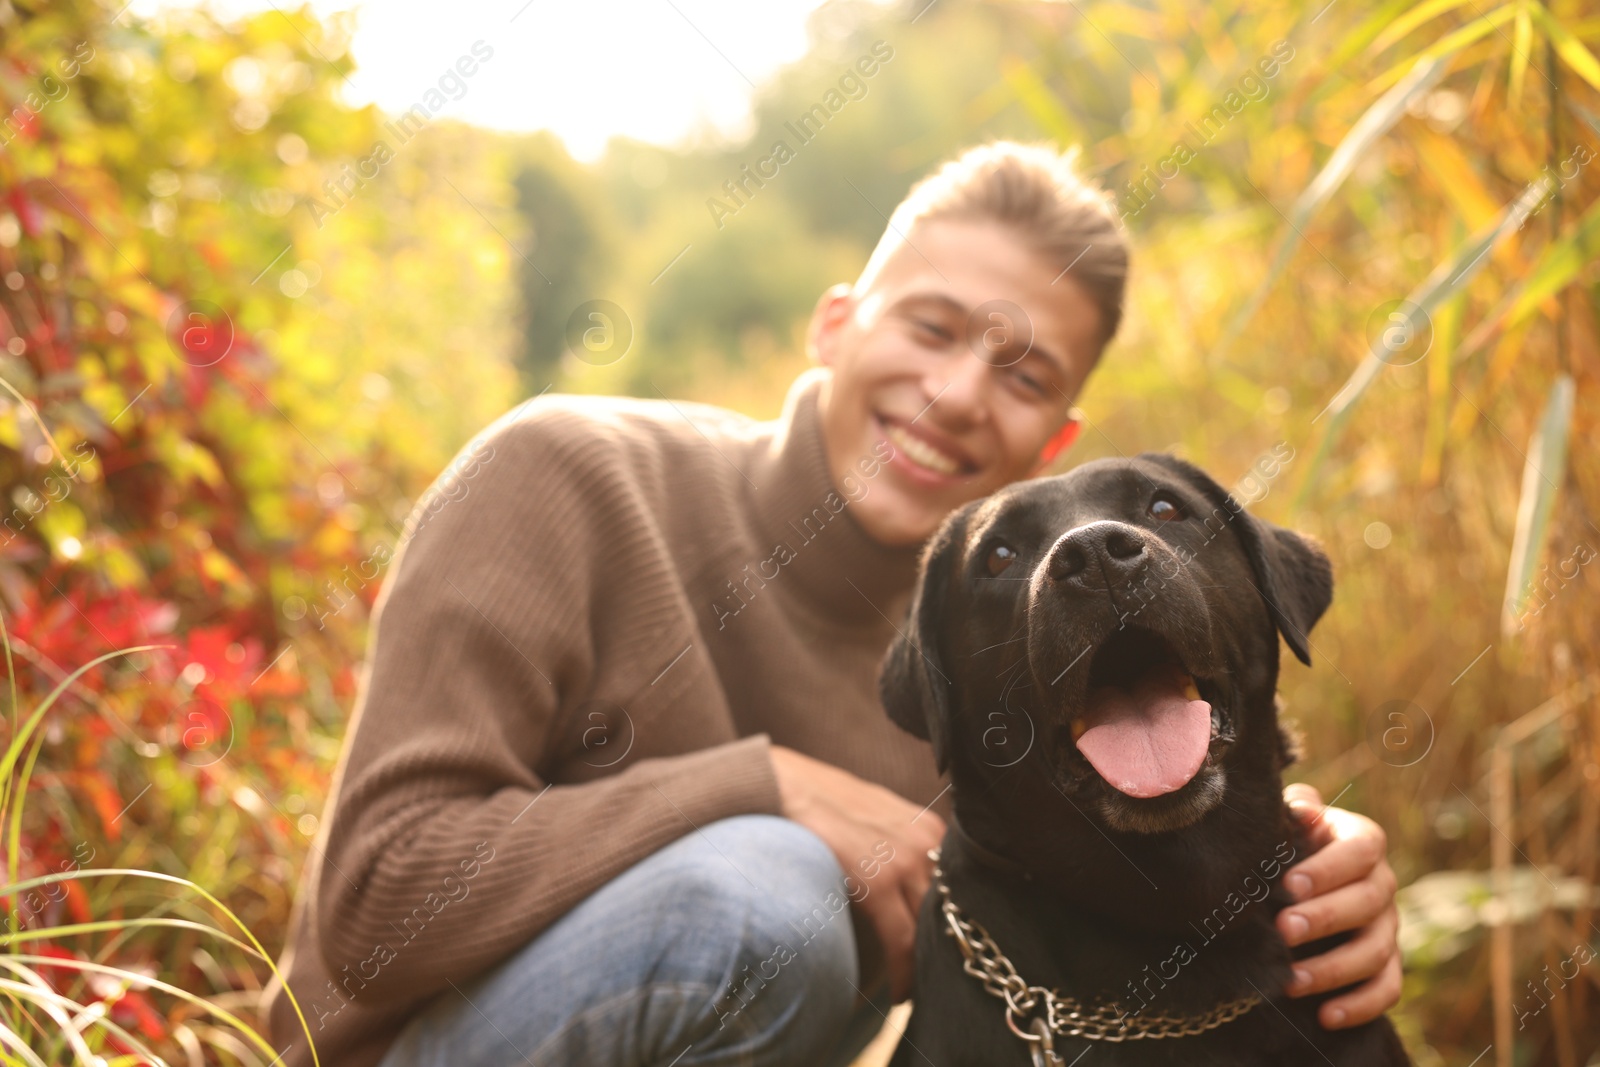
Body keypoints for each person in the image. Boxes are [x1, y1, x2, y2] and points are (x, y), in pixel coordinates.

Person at [263, 141, 1401, 1067]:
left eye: (1022, 374)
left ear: (1050, 441)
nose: (956, 394)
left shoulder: (985, 654)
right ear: (834, 322)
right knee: (766, 898)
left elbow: (1116, 823)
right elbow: (373, 906)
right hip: (410, 1047)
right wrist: (759, 783)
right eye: (931, 326)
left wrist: (1307, 867)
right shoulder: (565, 473)